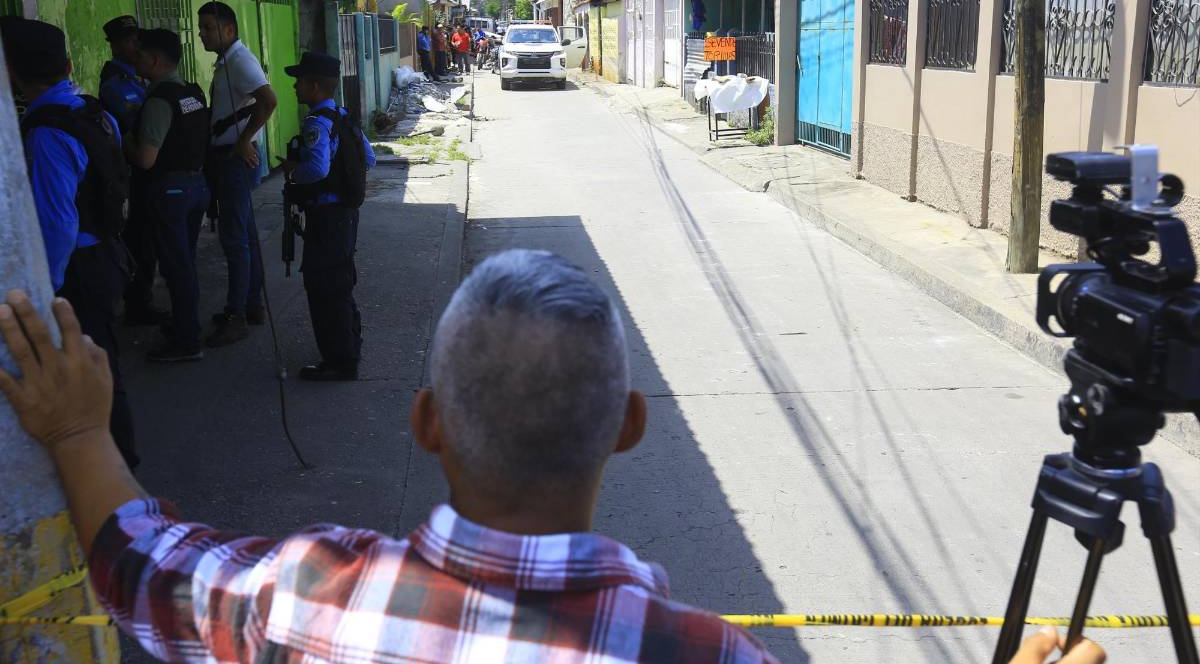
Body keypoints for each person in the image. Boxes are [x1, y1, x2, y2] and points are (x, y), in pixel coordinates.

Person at [0, 258, 1106, 664]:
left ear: (426, 420)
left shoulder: (305, 599)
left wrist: (78, 430)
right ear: (629, 424)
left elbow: (139, 560)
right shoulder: (706, 655)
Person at [0, 17, 139, 470]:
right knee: (100, 361)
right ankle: (117, 460)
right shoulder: (94, 110)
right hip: (108, 250)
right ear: (67, 63)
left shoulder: (46, 131)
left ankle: (112, 469)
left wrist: (47, 290)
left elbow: (58, 224)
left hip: (78, 265)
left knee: (88, 369)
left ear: (13, 75)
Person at [281, 52, 375, 381]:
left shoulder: (316, 124)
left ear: (315, 86)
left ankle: (338, 362)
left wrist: (293, 173)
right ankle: (349, 345)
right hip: (347, 213)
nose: (295, 88)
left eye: (299, 82)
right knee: (341, 281)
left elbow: (317, 169)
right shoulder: (344, 117)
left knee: (323, 287)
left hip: (327, 216)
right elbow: (370, 157)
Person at [197, 1, 278, 348]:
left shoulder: (240, 61)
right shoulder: (229, 60)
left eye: (209, 28)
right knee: (243, 233)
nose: (202, 33)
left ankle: (237, 315)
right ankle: (250, 303)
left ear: (229, 31)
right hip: (229, 157)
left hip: (235, 159)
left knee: (235, 239)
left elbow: (268, 100)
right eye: (202, 28)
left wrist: (245, 139)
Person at [130, 29, 211, 363]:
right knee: (185, 264)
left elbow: (145, 159)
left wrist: (122, 139)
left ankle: (187, 340)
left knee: (177, 268)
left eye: (139, 55)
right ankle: (184, 325)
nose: (135, 61)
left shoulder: (159, 101)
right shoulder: (190, 93)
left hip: (170, 191)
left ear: (154, 59)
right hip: (196, 187)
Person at [99, 15, 165, 327]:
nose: (135, 44)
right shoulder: (116, 83)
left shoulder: (138, 78)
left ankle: (142, 300)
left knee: (147, 238)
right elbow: (138, 119)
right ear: (113, 45)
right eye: (127, 40)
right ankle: (137, 303)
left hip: (144, 166)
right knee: (138, 238)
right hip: (129, 171)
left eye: (137, 38)